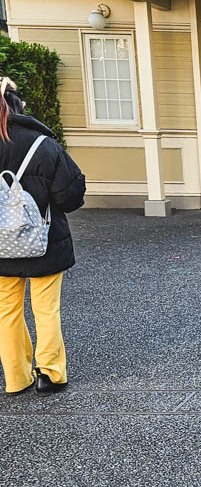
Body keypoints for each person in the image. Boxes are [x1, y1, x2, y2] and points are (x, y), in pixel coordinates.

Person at [0, 78, 86, 395]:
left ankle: (15, 377)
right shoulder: (43, 145)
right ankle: (49, 373)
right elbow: (70, 196)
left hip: (0, 248)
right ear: (19, 106)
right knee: (45, 309)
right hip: (43, 241)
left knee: (6, 310)